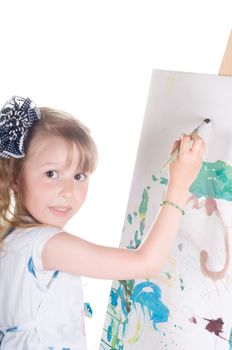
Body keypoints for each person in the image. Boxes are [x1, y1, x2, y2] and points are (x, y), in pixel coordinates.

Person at [0, 96, 205, 349]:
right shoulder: (48, 245)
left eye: (79, 176)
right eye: (51, 174)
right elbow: (146, 263)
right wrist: (179, 185)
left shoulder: (10, 237)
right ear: (15, 177)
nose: (68, 190)